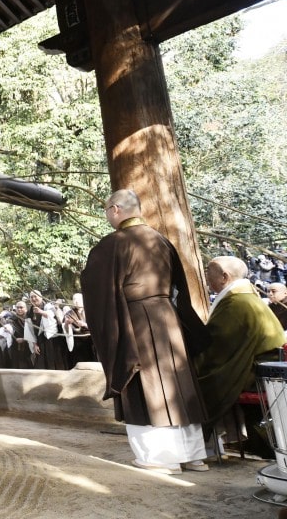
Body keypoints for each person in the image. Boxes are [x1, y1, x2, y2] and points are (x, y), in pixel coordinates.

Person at [80, 188, 209, 474]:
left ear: (115, 209)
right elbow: (180, 289)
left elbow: (96, 289)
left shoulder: (112, 244)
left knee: (143, 382)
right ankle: (193, 455)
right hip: (168, 319)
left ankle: (160, 458)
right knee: (178, 383)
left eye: (106, 211)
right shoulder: (161, 240)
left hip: (136, 320)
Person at [194, 256, 284, 431]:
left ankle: (194, 443)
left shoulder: (237, 303)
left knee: (189, 385)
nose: (206, 277)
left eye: (208, 272)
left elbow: (217, 348)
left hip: (255, 373)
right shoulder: (245, 297)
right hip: (262, 367)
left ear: (224, 277)